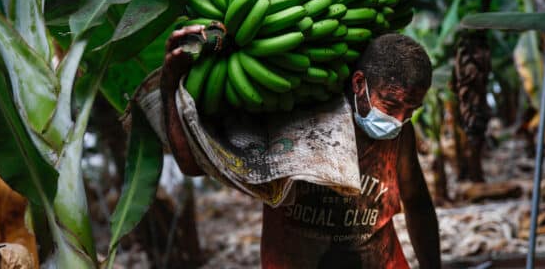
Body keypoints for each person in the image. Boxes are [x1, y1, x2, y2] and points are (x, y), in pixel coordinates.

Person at [161, 25, 441, 268]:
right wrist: (170, 82)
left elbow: (416, 201)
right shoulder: (296, 117)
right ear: (359, 84)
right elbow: (191, 165)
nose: (399, 120)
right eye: (391, 105)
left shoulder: (399, 133)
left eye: (411, 110)